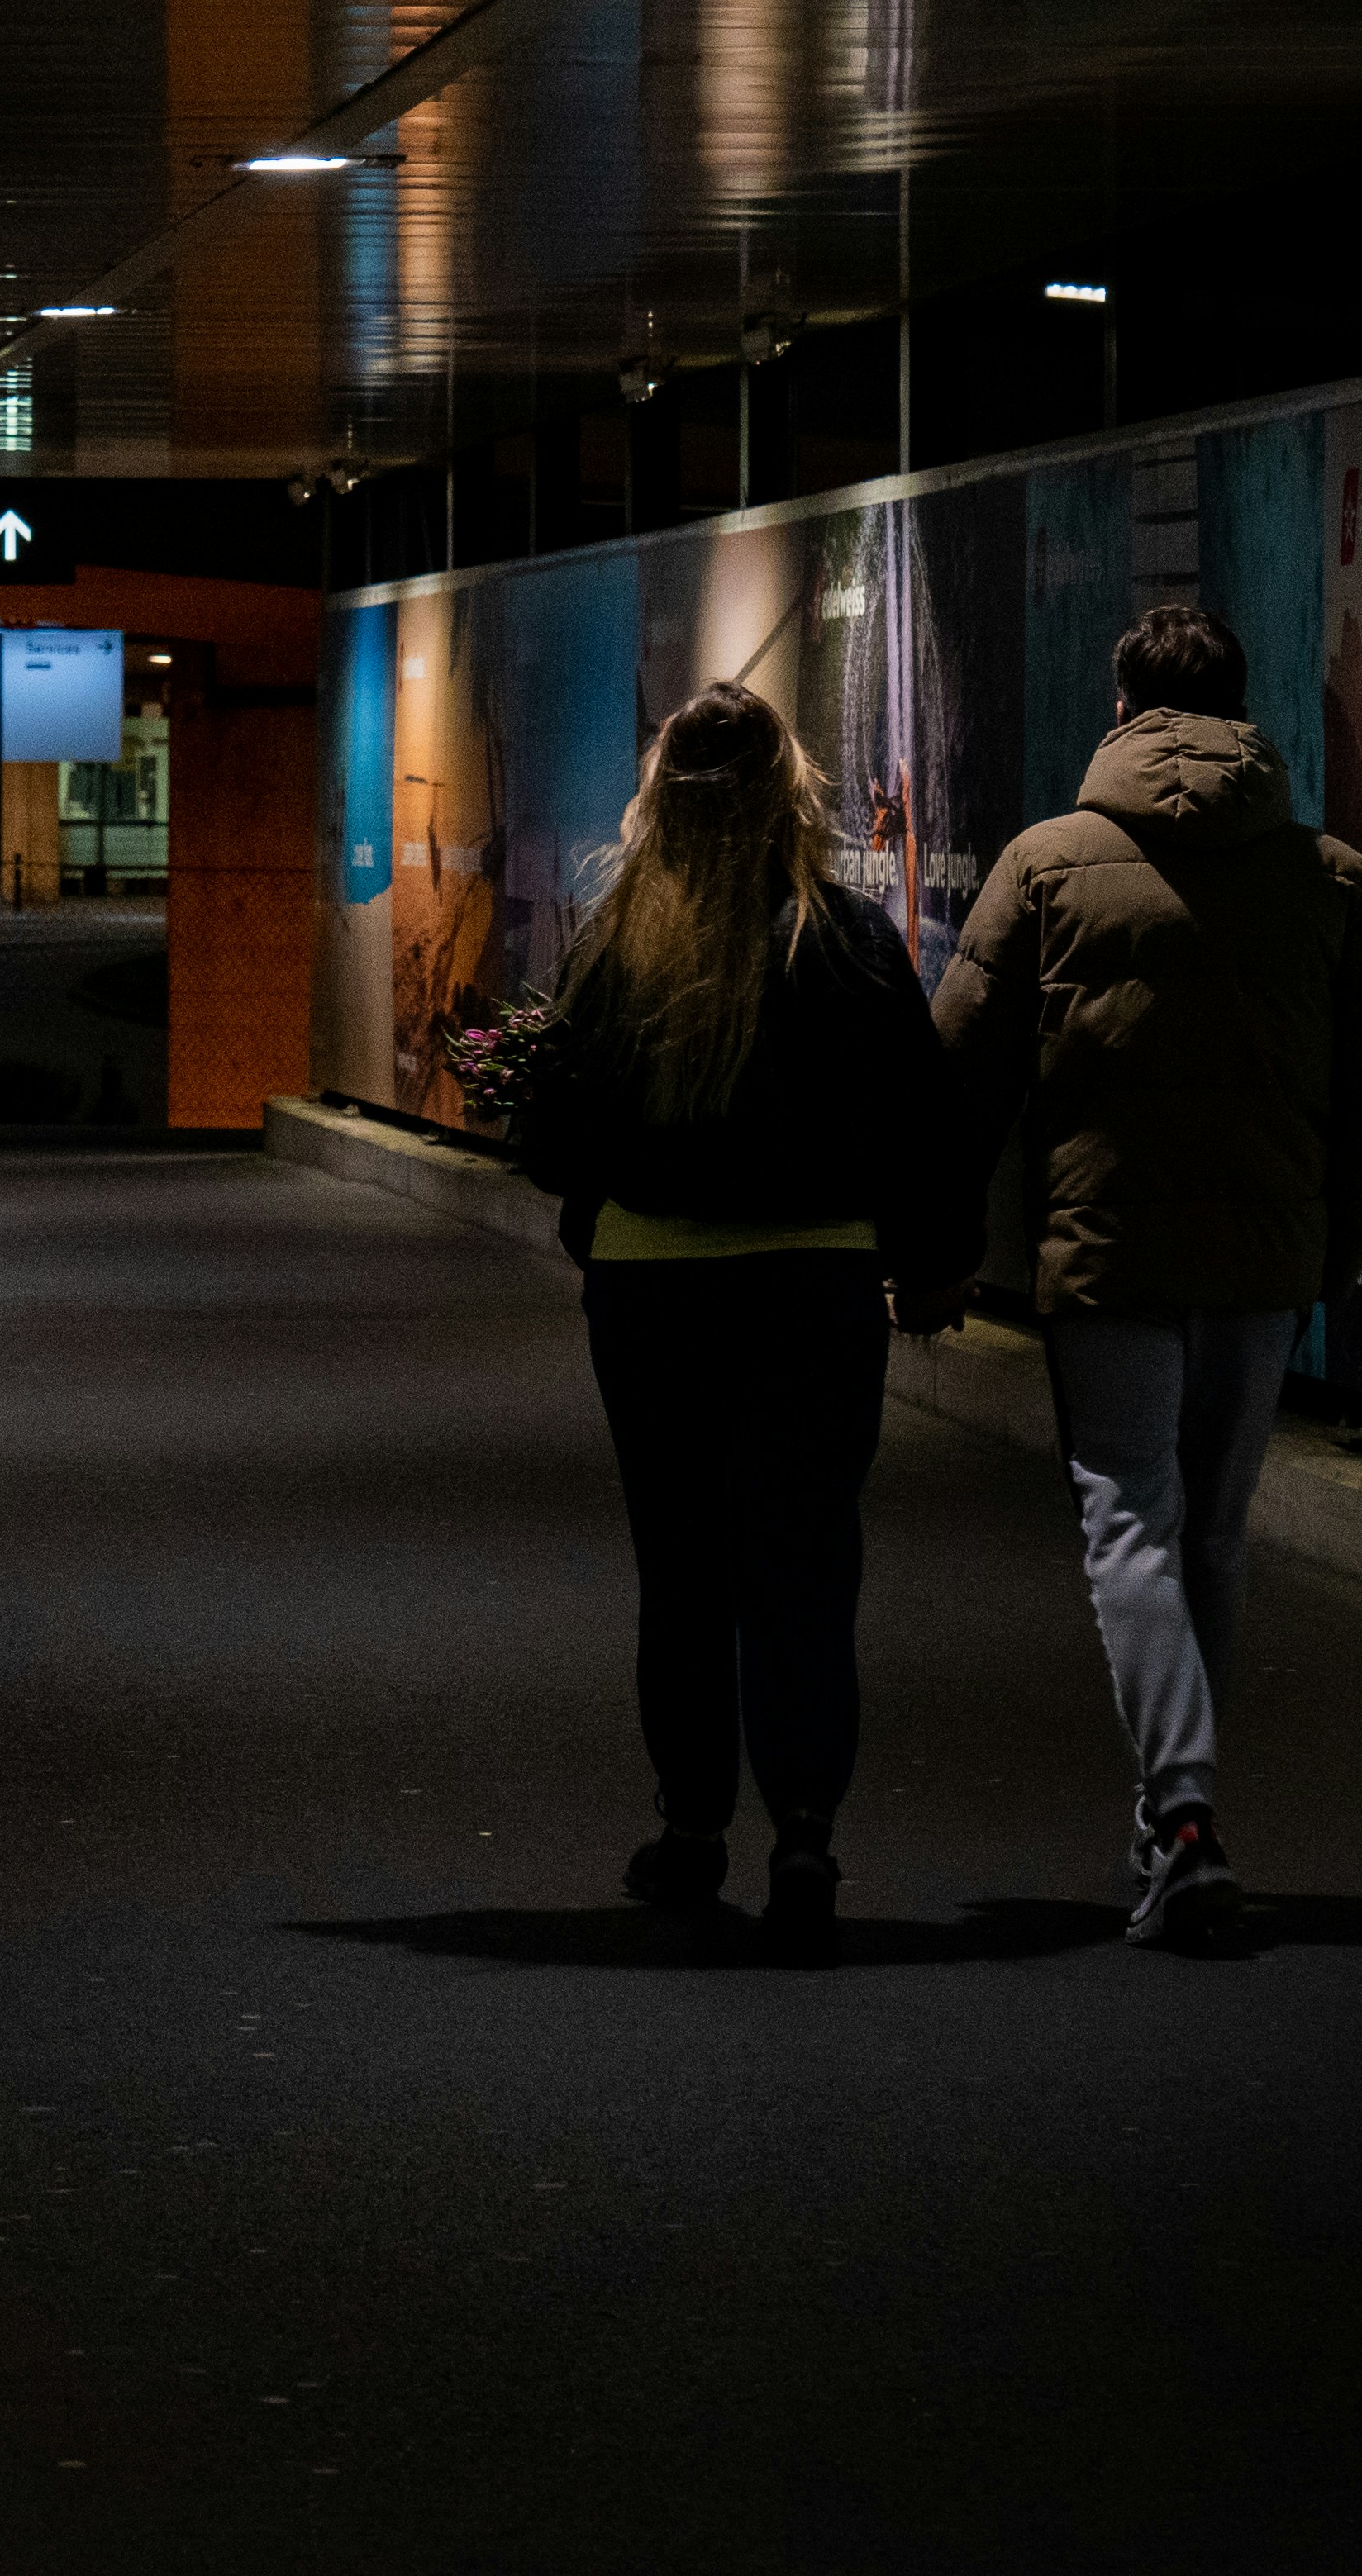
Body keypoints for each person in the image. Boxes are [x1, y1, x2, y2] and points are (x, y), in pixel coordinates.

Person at [924, 601, 1362, 1951]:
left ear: (1124, 706)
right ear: (1243, 707)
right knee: (1210, 1530)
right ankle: (1175, 1822)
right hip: (1263, 1268)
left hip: (1111, 1254)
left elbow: (958, 1073)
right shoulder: (1332, 880)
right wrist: (1338, 1244)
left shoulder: (1045, 865)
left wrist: (936, 1247)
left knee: (1128, 1523)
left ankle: (1185, 1817)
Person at [517, 684, 969, 1959]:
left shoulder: (616, 943)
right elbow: (918, 1119)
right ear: (791, 795)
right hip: (815, 1292)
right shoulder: (849, 940)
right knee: (805, 1559)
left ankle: (695, 1826)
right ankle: (807, 1826)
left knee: (682, 1564)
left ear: (661, 798)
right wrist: (936, 1261)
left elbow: (558, 1136)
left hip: (652, 1291)